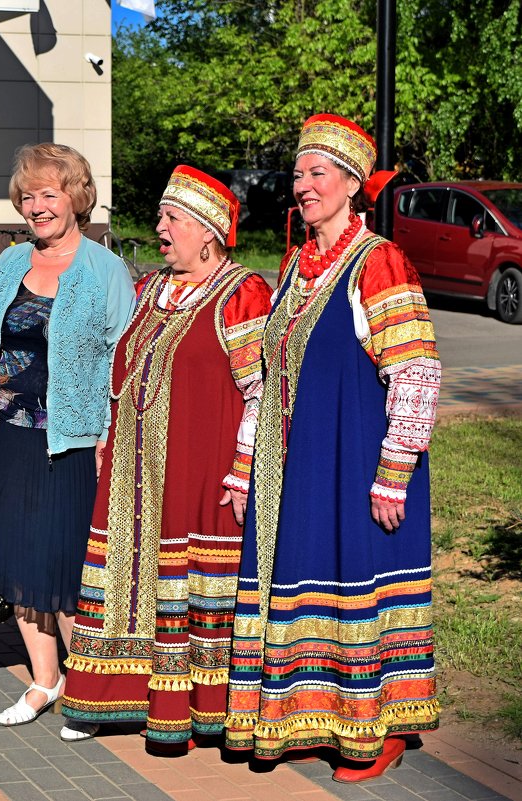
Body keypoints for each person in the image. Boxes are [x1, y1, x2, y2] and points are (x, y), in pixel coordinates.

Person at [226, 114, 441, 781]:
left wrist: (393, 471)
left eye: (318, 173)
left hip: (355, 462)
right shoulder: (296, 264)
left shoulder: (378, 259)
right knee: (305, 584)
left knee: (358, 588)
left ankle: (378, 728)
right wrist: (245, 466)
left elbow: (415, 369)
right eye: (298, 173)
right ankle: (309, 715)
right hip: (300, 462)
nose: (303, 185)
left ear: (351, 183)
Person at [58, 166, 272, 752]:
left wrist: (243, 466)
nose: (159, 228)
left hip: (201, 473)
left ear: (207, 232)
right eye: (161, 217)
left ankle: (199, 712)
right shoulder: (154, 287)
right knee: (126, 578)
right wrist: (107, 441)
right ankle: (109, 698)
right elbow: (122, 371)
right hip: (133, 469)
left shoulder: (242, 292)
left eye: (170, 219)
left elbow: (262, 392)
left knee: (191, 585)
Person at [0, 143, 136, 726]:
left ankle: (92, 687)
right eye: (28, 195)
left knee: (67, 569)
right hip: (3, 433)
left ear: (76, 198)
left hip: (71, 440)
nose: (37, 206)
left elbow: (128, 359)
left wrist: (111, 436)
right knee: (19, 562)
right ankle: (45, 681)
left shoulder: (104, 268)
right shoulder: (12, 262)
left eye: (49, 193)